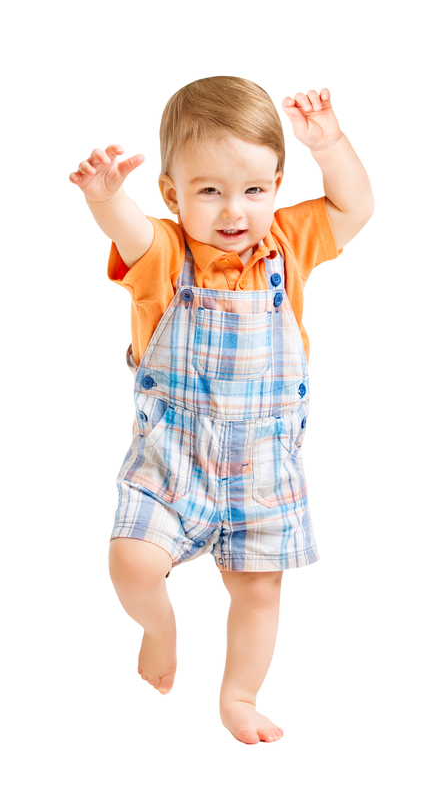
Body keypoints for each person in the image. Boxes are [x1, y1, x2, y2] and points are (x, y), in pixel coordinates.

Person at [70, 76, 373, 744]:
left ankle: (239, 695)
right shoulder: (166, 255)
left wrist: (331, 144)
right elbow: (129, 229)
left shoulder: (287, 246)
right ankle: (160, 628)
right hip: (172, 463)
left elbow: (355, 207)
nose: (235, 211)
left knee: (259, 593)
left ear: (277, 184)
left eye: (255, 190)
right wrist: (106, 196)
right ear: (174, 195)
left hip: (262, 471)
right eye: (210, 191)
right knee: (131, 562)